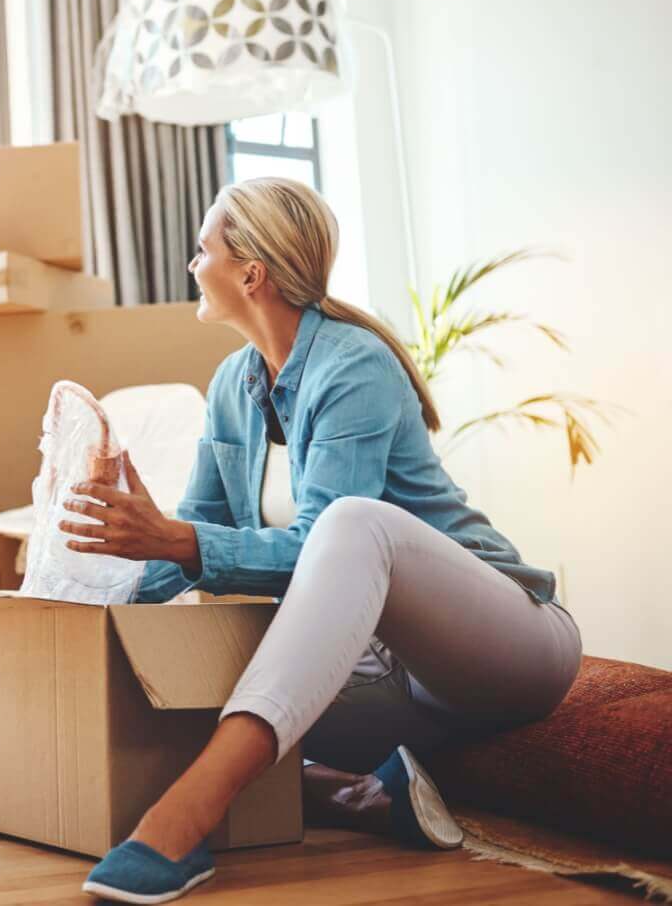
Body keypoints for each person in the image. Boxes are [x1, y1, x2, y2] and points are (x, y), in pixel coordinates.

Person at [64, 177, 580, 902]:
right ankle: (357, 794)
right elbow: (194, 534)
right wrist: (94, 589)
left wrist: (177, 541)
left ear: (251, 273)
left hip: (507, 649)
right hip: (388, 683)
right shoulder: (231, 386)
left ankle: (182, 820)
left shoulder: (353, 365)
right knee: (189, 687)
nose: (192, 264)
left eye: (202, 249)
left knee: (350, 523)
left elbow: (304, 543)